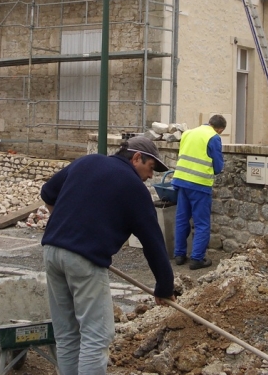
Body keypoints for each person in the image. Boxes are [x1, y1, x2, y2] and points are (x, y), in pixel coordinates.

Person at [40, 136, 175, 375]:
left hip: (52, 251)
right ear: (136, 158)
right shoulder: (135, 189)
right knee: (96, 336)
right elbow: (153, 243)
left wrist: (65, 225)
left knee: (67, 335)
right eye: (150, 168)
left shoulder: (86, 162)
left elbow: (48, 192)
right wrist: (164, 287)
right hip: (85, 261)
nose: (151, 176)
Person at [172, 114, 226, 270]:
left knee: (182, 219)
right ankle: (197, 259)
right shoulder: (214, 137)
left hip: (181, 181)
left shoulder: (188, 133)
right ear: (220, 129)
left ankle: (179, 255)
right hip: (200, 184)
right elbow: (217, 165)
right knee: (201, 223)